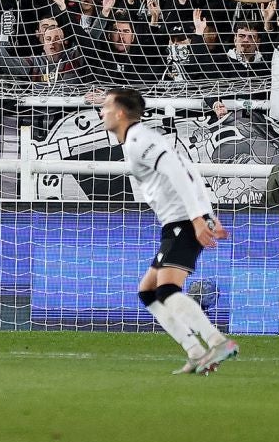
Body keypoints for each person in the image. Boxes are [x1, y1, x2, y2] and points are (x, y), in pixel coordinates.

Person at [99, 85, 238, 375]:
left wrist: (199, 219)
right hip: (179, 221)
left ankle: (217, 342)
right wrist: (208, 215)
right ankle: (196, 351)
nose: (102, 112)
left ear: (121, 113)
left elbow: (177, 171)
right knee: (148, 291)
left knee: (166, 289)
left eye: (106, 107)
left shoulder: (138, 140)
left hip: (183, 222)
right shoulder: (138, 139)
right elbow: (189, 169)